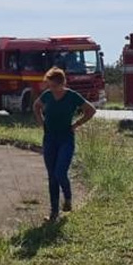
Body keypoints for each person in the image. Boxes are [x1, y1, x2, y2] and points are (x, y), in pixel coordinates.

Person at [33, 67, 96, 221]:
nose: (52, 89)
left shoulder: (72, 96)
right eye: (49, 85)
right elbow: (36, 106)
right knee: (52, 176)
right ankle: (54, 212)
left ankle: (67, 198)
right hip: (49, 138)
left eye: (54, 86)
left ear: (62, 83)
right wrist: (41, 123)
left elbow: (91, 110)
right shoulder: (47, 95)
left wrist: (76, 124)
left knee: (60, 172)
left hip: (66, 138)